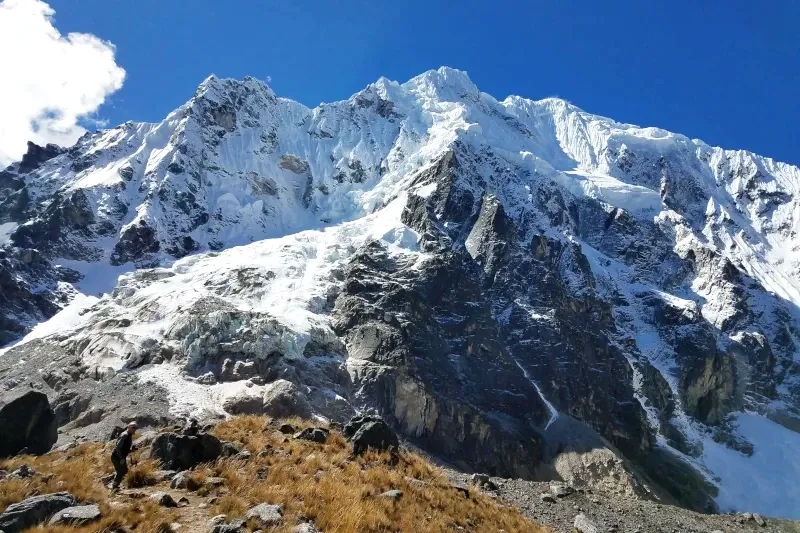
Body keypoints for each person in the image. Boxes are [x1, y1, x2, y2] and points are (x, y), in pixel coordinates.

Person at [111, 422, 137, 490]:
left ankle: (114, 484)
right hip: (117, 456)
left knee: (124, 471)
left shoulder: (129, 435)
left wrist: (131, 450)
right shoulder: (125, 435)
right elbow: (118, 448)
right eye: (133, 427)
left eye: (135, 428)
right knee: (121, 471)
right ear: (128, 427)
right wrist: (121, 458)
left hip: (120, 456)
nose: (134, 429)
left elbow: (124, 449)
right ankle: (114, 487)